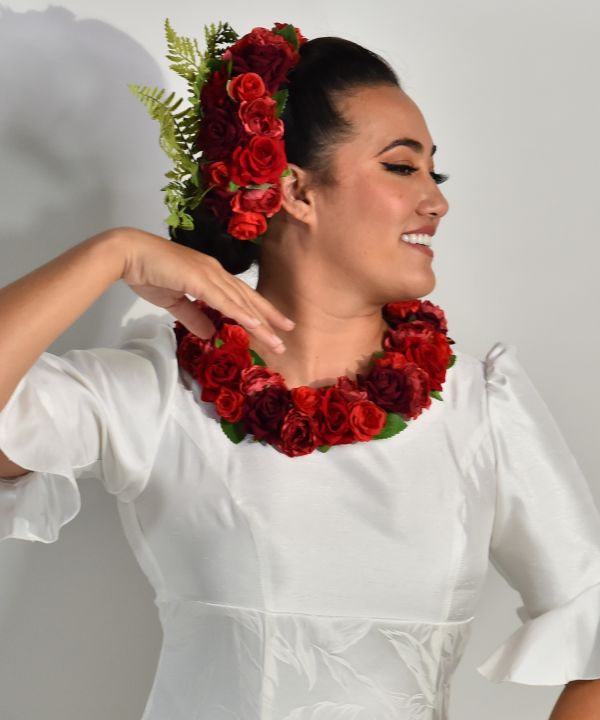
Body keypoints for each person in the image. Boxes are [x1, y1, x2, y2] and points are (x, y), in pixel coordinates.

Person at [2, 20, 600, 720]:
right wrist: (112, 253)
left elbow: (592, 624)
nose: (437, 201)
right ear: (294, 190)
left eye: (433, 173)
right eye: (402, 167)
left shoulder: (482, 407)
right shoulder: (161, 390)